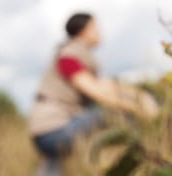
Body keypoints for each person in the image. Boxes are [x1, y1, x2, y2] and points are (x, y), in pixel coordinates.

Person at [27, 12, 159, 158]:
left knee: (113, 115)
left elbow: (107, 85)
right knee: (113, 115)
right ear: (83, 31)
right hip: (53, 134)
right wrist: (138, 109)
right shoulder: (69, 56)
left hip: (54, 131)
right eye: (95, 28)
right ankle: (139, 156)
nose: (100, 32)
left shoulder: (76, 54)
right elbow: (98, 92)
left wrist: (140, 95)